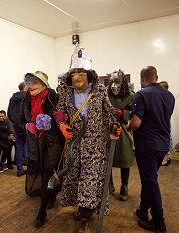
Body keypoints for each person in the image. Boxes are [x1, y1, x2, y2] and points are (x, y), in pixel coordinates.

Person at [55, 46, 118, 232]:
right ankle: (81, 208)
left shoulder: (99, 90)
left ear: (89, 74)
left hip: (95, 144)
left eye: (81, 72)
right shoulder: (66, 92)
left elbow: (108, 114)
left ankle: (85, 214)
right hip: (74, 143)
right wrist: (61, 125)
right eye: (74, 73)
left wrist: (113, 125)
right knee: (76, 177)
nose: (78, 77)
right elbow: (59, 111)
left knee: (91, 179)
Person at [127, 66, 174, 232]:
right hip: (163, 145)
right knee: (149, 179)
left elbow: (136, 123)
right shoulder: (169, 95)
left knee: (151, 182)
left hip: (147, 145)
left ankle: (158, 221)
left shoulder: (141, 94)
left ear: (142, 79)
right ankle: (143, 210)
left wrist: (128, 127)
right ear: (156, 77)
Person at [19, 70, 64, 228]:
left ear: (44, 83)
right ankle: (50, 195)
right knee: (42, 171)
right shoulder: (26, 100)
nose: (30, 86)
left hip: (52, 142)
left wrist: (56, 121)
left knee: (48, 172)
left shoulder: (54, 97)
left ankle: (42, 211)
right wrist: (27, 125)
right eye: (29, 83)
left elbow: (63, 116)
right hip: (35, 143)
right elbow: (18, 120)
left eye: (35, 82)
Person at [107, 69, 134, 201]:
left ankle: (124, 186)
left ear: (123, 82)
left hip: (124, 132)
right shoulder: (106, 96)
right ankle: (109, 184)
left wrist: (123, 114)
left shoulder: (131, 96)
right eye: (110, 82)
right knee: (107, 159)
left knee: (124, 159)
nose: (113, 85)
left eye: (116, 81)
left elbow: (135, 114)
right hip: (108, 131)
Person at [7, 81, 27, 176]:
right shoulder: (27, 97)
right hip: (27, 126)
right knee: (30, 148)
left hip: (17, 128)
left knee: (19, 149)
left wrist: (15, 123)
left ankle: (19, 170)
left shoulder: (12, 98)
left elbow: (9, 114)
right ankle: (31, 170)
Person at [160, 81, 173, 166]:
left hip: (164, 120)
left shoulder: (166, 97)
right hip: (164, 120)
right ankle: (166, 157)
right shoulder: (169, 96)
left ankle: (166, 158)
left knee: (167, 137)